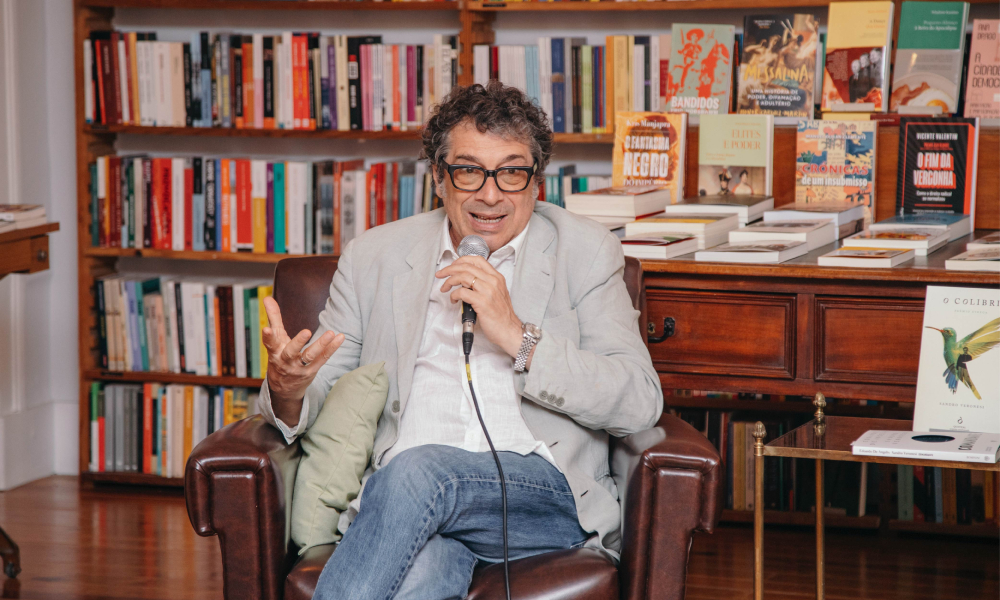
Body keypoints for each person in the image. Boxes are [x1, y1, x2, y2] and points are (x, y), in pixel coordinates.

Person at [257, 81, 662, 600]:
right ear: (438, 177)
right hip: (406, 505)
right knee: (421, 571)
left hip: (537, 496)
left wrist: (516, 335)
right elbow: (325, 383)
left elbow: (638, 400)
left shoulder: (585, 252)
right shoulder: (375, 256)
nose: (490, 195)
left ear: (536, 182)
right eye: (469, 170)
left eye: (511, 173)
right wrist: (288, 387)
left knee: (420, 470)